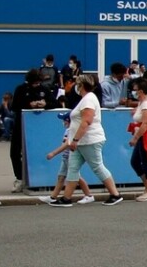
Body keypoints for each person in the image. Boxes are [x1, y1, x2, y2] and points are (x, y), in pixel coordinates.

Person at [55, 74, 124, 206]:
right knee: (73, 168)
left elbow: (86, 121)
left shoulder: (88, 100)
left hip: (89, 140)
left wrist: (75, 139)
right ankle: (66, 198)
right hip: (81, 141)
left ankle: (115, 194)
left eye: (77, 84)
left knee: (97, 166)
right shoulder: (86, 99)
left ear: (81, 86)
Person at [10, 67, 53, 193]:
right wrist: (29, 105)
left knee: (36, 153)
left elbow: (54, 103)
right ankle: (19, 178)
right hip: (20, 126)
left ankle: (38, 179)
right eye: (34, 83)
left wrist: (45, 105)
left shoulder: (44, 89)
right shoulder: (21, 89)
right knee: (15, 153)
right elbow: (15, 106)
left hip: (38, 128)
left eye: (38, 82)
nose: (36, 85)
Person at [38, 111, 95, 205]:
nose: (63, 122)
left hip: (70, 157)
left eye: (64, 120)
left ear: (68, 121)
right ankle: (53, 197)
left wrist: (53, 153)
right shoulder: (68, 130)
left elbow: (67, 144)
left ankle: (88, 195)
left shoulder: (71, 131)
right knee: (61, 176)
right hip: (65, 157)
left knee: (77, 177)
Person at [127, 79, 147, 201]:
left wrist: (135, 138)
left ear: (140, 91)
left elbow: (146, 123)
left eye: (135, 90)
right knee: (135, 161)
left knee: (146, 161)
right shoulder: (142, 103)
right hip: (143, 134)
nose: (133, 92)